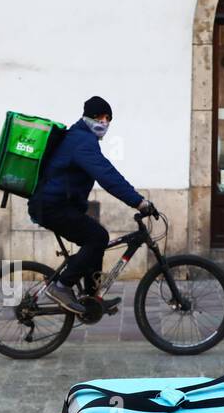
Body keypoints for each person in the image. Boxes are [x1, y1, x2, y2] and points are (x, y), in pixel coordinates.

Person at [28, 96, 156, 312]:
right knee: (98, 237)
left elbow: (104, 172)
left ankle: (91, 297)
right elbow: (107, 175)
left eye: (108, 119)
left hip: (55, 205)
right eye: (99, 117)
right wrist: (139, 202)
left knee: (96, 240)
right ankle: (61, 286)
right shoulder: (81, 141)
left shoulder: (82, 138)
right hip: (51, 206)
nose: (104, 122)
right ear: (88, 116)